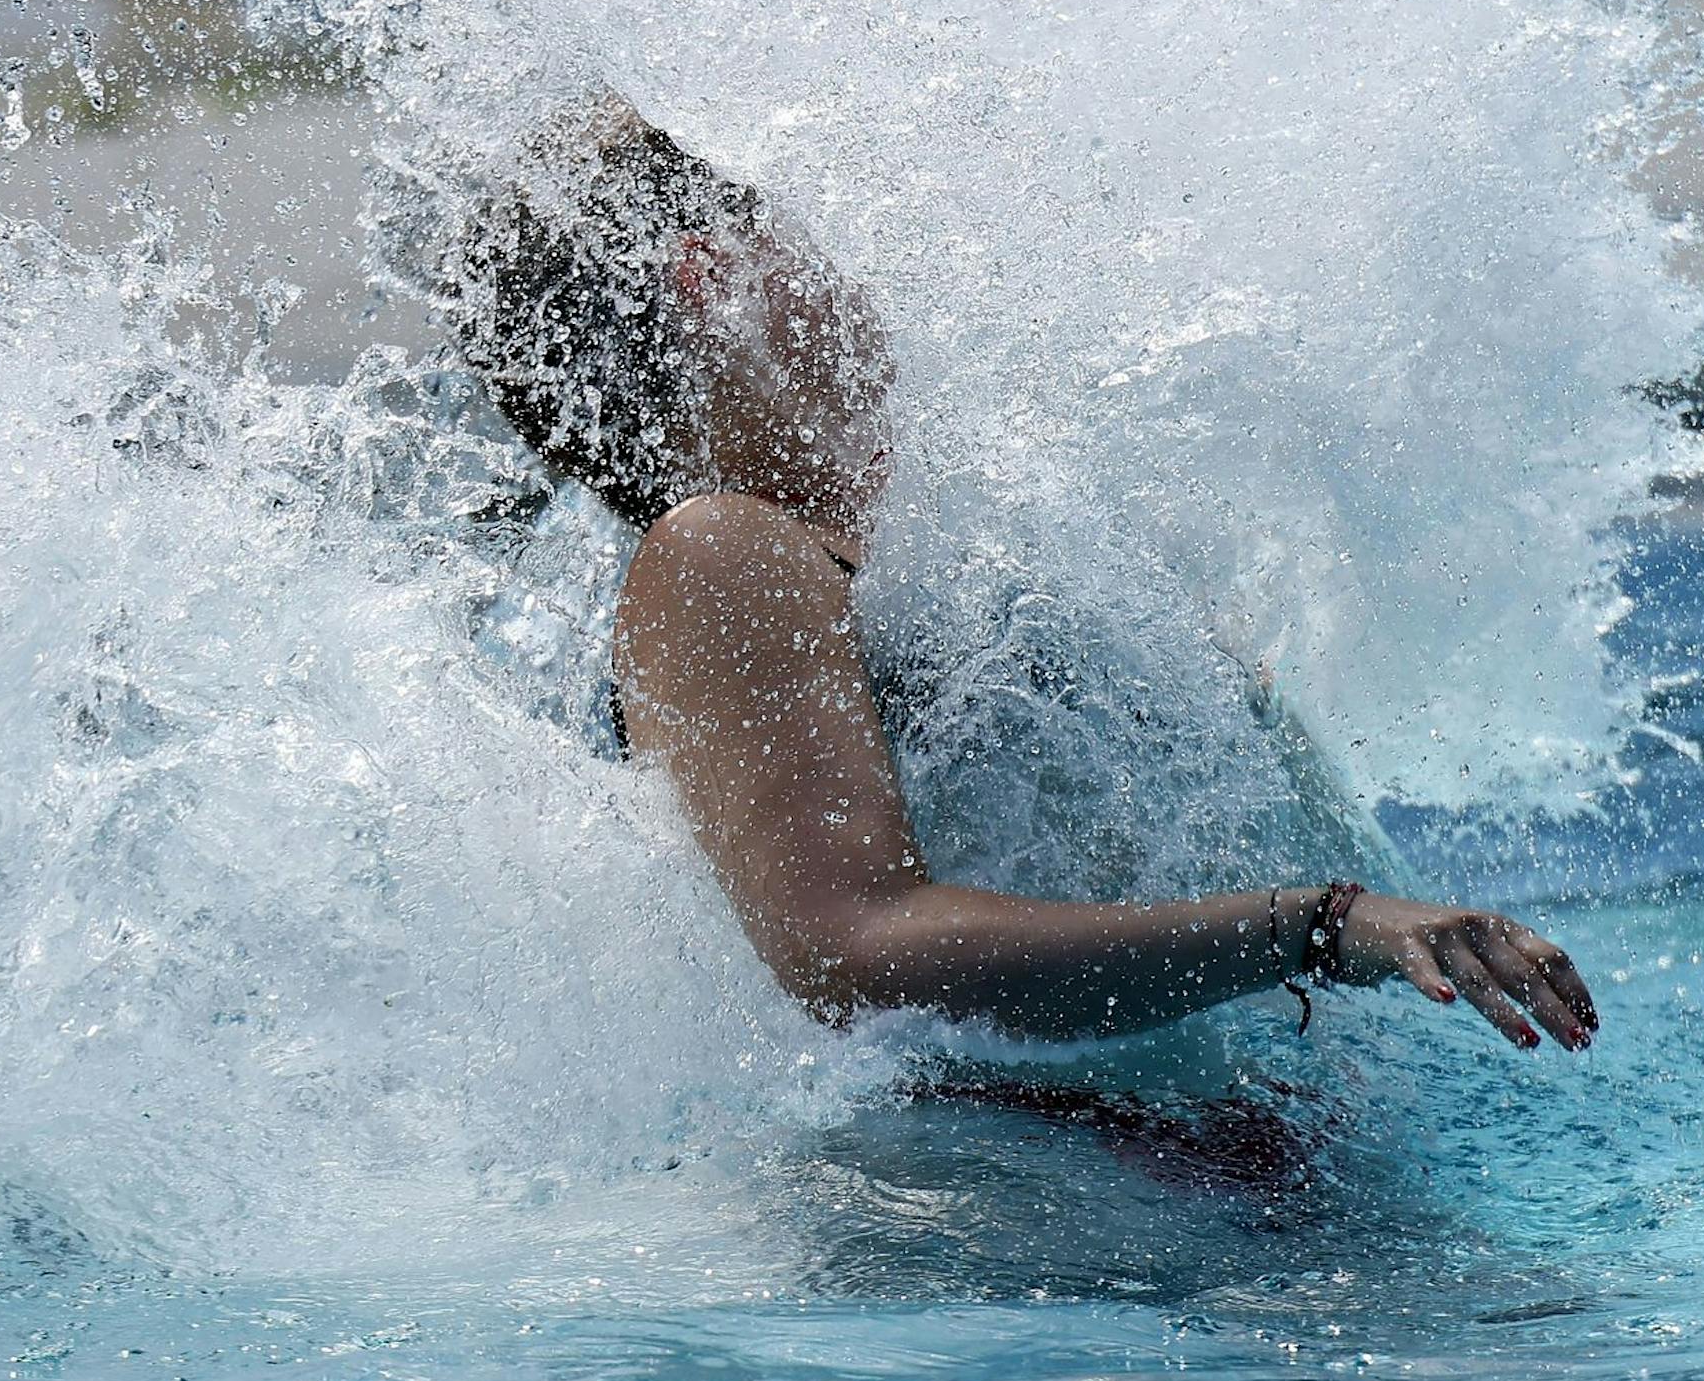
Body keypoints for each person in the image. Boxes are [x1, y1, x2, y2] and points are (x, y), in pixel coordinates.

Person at [456, 95, 1598, 1053]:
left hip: (1167, 1194)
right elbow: (848, 949)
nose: (848, 272)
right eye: (800, 227)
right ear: (716, 279)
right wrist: (1314, 926)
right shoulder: (722, 550)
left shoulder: (917, 568)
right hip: (1037, 1220)